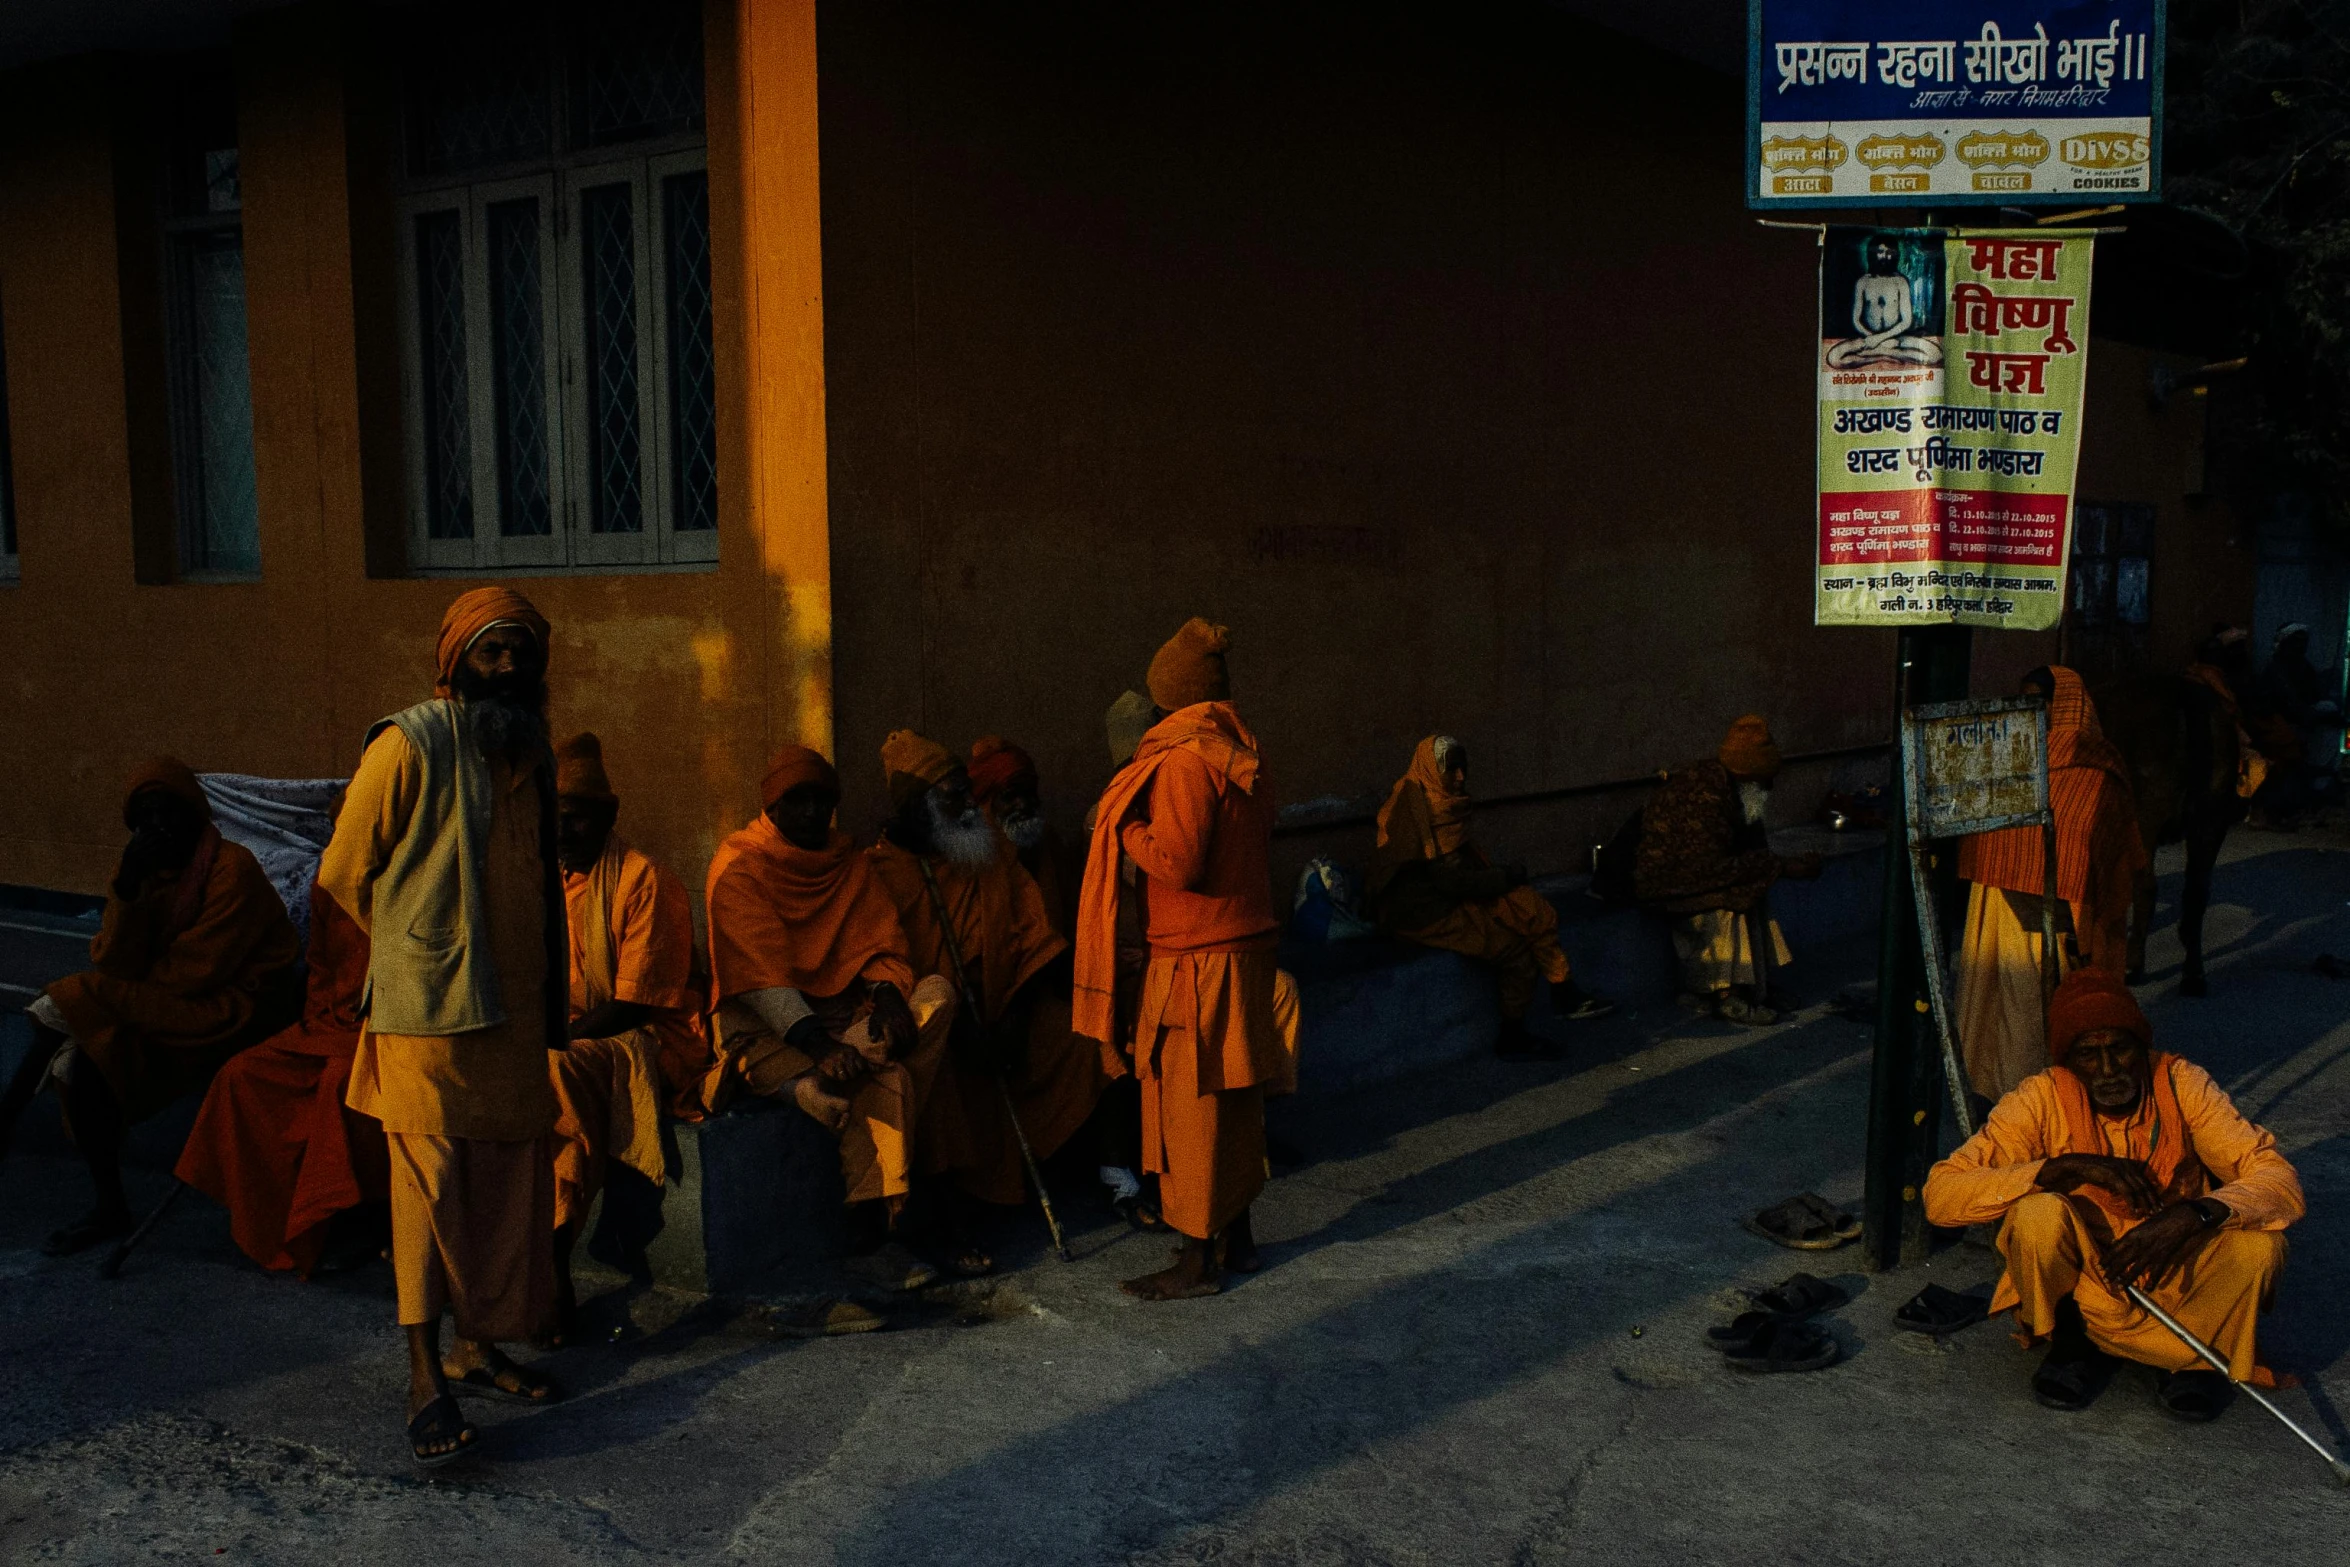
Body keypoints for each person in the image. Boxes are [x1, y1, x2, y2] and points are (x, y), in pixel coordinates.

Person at [317, 588, 569, 1467]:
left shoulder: (531, 753)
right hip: (428, 1008)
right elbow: (346, 870)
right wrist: (408, 949)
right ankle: (426, 1370)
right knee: (427, 1182)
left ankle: (479, 1342)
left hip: (514, 1011)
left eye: (521, 652)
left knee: (504, 1180)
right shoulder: (410, 741)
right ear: (455, 659)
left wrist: (556, 995)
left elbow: (542, 881)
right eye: (491, 652)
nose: (508, 666)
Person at [1923, 969, 2302, 1420]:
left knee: (2260, 1246)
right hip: (2090, 1279)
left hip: (2175, 1265)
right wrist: (2061, 1168)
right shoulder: (2041, 1097)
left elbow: (2278, 1179)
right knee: (2037, 1215)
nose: (2107, 1071)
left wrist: (2194, 1215)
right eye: (2088, 1055)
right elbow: (1940, 1196)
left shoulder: (2182, 1083)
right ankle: (2073, 1345)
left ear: (2142, 1047)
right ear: (2068, 1062)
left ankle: (2197, 1359)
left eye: (2119, 1049)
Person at [1, 759, 301, 1255]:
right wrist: (127, 894)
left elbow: (192, 975)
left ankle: (6, 1117)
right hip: (165, 1006)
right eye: (146, 819)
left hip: (235, 1012)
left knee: (77, 995)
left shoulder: (233, 870)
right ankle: (109, 1207)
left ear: (195, 816)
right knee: (81, 1065)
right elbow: (116, 961)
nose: (158, 829)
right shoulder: (138, 870)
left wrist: (119, 997)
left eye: (169, 815)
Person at [1077, 618, 1285, 1300]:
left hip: (1196, 963)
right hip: (1242, 950)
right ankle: (1240, 1240)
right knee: (1234, 1104)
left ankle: (1197, 1260)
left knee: (1191, 1112)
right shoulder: (1239, 749)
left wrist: (1123, 825)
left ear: (1167, 697)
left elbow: (1180, 862)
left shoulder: (1186, 760)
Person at [703, 743, 958, 1283]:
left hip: (850, 1025)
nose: (814, 813)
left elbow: (881, 942)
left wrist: (889, 996)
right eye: (799, 801)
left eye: (824, 801)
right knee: (887, 1078)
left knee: (934, 991)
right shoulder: (738, 866)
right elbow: (758, 975)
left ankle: (823, 1085)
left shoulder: (848, 862)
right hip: (774, 1031)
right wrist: (820, 1047)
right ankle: (875, 1230)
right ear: (771, 808)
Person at [868, 730, 1107, 1269]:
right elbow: (877, 964)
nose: (969, 809)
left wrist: (1015, 1019)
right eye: (952, 799)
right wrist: (957, 1029)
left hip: (1003, 1011)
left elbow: (1032, 941)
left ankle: (1099, 1174)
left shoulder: (991, 853)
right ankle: (949, 1224)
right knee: (938, 1082)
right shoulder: (877, 873)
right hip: (939, 1027)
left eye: (965, 794)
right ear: (917, 809)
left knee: (1079, 1038)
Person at [544, 733, 708, 1341]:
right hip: (566, 1037)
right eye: (555, 817)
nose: (565, 829)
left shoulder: (645, 879)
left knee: (555, 1075)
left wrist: (555, 1040)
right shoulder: (536, 881)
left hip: (645, 1037)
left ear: (608, 817)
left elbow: (637, 1002)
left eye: (580, 816)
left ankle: (553, 1259)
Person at [174, 870, 390, 1276]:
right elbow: (321, 967)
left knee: (338, 1086)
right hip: (330, 1025)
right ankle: (267, 1219)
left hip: (391, 1030)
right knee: (240, 1074)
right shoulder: (332, 878)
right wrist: (316, 1025)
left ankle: (338, 1225)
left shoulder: (414, 874)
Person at [1954, 667, 2147, 1100]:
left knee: (2036, 1023)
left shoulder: (2096, 771)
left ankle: (2047, 1108)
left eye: (2040, 701)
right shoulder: (2008, 759)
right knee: (1996, 1017)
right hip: (1997, 906)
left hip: (2061, 925)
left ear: (2066, 706)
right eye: (2024, 701)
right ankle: (2003, 1107)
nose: (2031, 712)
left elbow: (2109, 855)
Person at [1365, 735, 1613, 1056]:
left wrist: (1502, 879)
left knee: (1530, 906)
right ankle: (1512, 1036)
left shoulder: (1444, 803)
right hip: (1423, 912)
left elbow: (1461, 873)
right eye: (1451, 769)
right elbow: (1451, 882)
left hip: (1450, 895)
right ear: (1431, 769)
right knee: (1515, 950)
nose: (1460, 778)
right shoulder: (1413, 807)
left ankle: (1562, 987)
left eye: (1463, 768)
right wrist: (1502, 878)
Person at [1633, 715, 1818, 1026]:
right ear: (1748, 776)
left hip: (1697, 876)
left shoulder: (1732, 789)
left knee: (1754, 887)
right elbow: (1708, 868)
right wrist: (1781, 866)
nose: (1768, 789)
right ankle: (1725, 994)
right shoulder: (1704, 795)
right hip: (1668, 883)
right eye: (1764, 781)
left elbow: (1749, 853)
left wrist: (1781, 865)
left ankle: (1754, 985)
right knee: (1735, 898)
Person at [968, 735, 1084, 941]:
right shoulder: (970, 859)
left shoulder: (1048, 843)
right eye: (1010, 796)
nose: (1023, 804)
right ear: (985, 801)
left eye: (1029, 793)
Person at [1824, 234, 1941, 368]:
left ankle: (1888, 353)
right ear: (1872, 254)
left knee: (1935, 355)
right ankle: (1880, 355)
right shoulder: (1863, 282)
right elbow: (1856, 320)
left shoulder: (1900, 282)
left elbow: (1906, 321)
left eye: (1889, 252)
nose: (1885, 257)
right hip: (1867, 339)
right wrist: (1872, 338)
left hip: (1897, 339)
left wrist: (1881, 339)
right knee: (1833, 358)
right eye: (1880, 252)